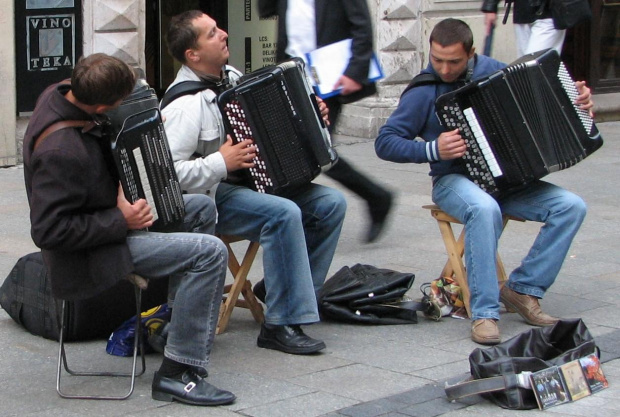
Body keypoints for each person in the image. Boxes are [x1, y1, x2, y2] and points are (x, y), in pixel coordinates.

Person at [23, 53, 235, 406]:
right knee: (210, 252)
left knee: (200, 207)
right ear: (105, 104)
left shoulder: (61, 94)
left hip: (110, 222)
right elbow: (48, 231)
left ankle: (172, 329)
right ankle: (178, 372)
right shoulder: (61, 151)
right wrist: (122, 219)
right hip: (92, 254)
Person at [375, 18, 593, 345]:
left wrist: (578, 104)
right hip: (453, 181)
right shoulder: (423, 91)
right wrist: (433, 149)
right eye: (437, 60)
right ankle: (485, 312)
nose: (444, 69)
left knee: (570, 206)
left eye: (454, 61)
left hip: (508, 181)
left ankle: (522, 290)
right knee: (484, 208)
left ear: (472, 53)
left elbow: (545, 104)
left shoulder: (497, 71)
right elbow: (386, 142)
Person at [161, 10, 347, 355]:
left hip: (254, 182)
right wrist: (221, 162)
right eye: (212, 33)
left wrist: (310, 112)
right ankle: (280, 324)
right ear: (193, 54)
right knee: (282, 214)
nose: (224, 34)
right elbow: (168, 174)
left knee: (329, 205)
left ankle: (279, 291)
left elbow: (272, 119)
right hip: (212, 197)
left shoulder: (231, 77)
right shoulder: (185, 104)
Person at [258, 0, 394, 243]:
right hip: (291, 73)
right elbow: (265, 10)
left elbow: (362, 28)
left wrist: (355, 71)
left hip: (328, 77)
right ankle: (373, 197)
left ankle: (375, 197)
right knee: (300, 149)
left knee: (319, 151)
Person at [482, 0, 565, 58]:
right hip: (522, 11)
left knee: (534, 65)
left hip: (549, 12)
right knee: (524, 66)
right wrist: (491, 5)